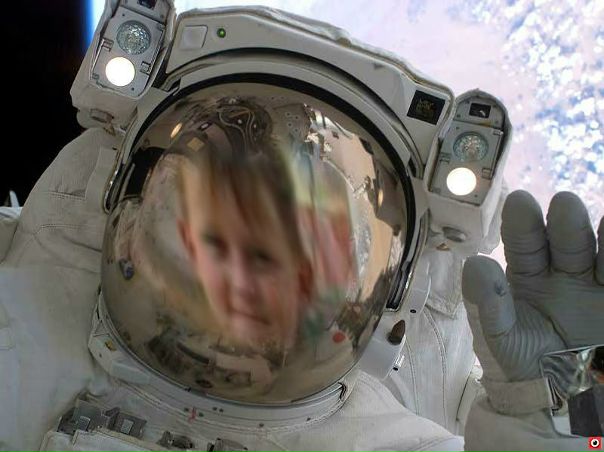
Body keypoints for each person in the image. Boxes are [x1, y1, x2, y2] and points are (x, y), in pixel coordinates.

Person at [0, 5, 601, 452]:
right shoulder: (18, 341)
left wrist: (568, 400)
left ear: (366, 297)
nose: (235, 279)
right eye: (212, 240)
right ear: (129, 222)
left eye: (275, 259)